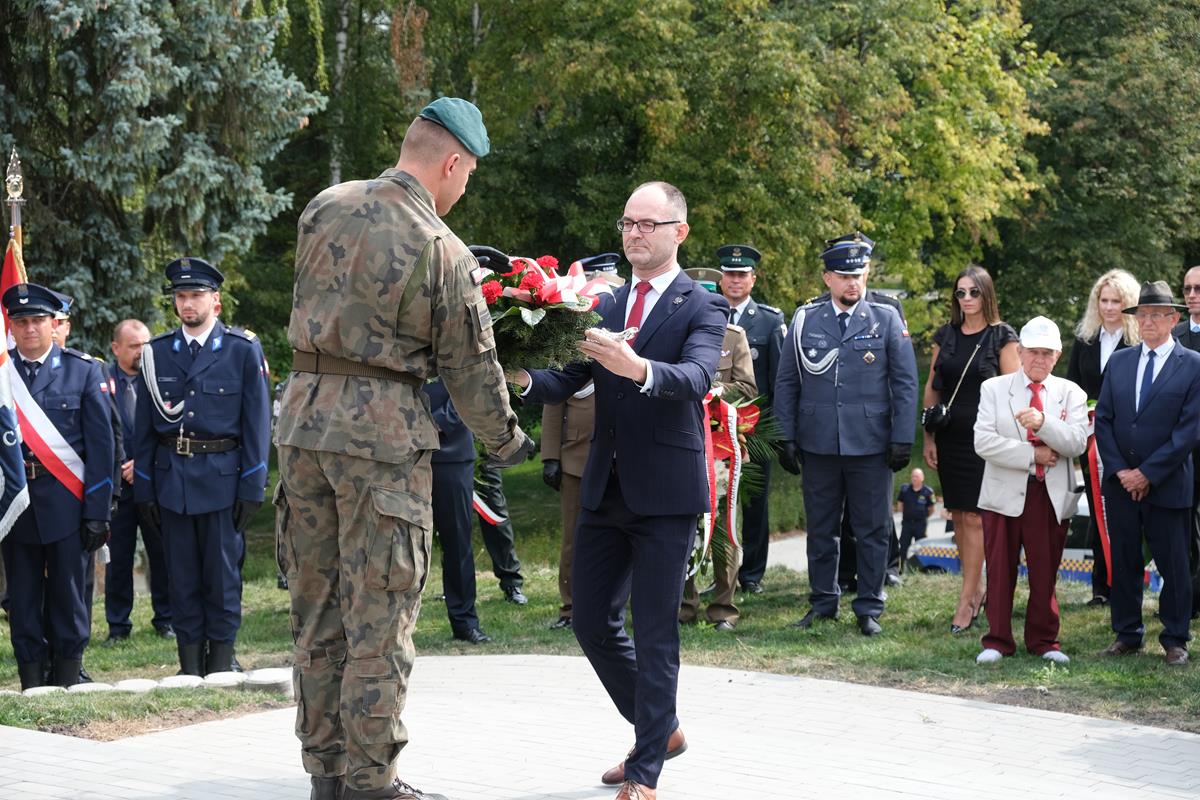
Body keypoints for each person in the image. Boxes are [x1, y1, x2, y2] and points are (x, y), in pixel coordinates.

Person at [275, 97, 533, 800]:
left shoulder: (323, 206)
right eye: (468, 173)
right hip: (381, 440)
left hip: (302, 426)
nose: (465, 186)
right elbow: (471, 368)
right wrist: (507, 440)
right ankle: (372, 783)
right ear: (451, 162)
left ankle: (326, 776)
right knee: (380, 620)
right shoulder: (440, 248)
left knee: (316, 614)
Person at [510, 181, 727, 800]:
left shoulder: (702, 304)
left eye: (647, 224)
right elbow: (568, 378)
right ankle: (661, 730)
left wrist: (634, 367)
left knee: (656, 630)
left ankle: (645, 771)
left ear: (679, 232)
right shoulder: (603, 303)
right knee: (590, 620)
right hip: (604, 485)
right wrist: (518, 376)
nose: (635, 233)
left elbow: (696, 378)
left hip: (666, 493)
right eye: (628, 223)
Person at [774, 232, 919, 637]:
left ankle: (869, 605)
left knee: (872, 529)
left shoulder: (885, 318)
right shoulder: (806, 319)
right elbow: (787, 381)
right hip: (818, 441)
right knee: (822, 528)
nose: (853, 283)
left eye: (858, 274)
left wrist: (902, 437)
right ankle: (823, 601)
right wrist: (785, 435)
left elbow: (905, 383)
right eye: (844, 276)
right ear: (827, 278)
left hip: (870, 443)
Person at [133, 257, 270, 678]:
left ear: (216, 300)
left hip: (223, 480)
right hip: (172, 482)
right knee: (181, 577)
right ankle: (190, 664)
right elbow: (143, 430)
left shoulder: (241, 349)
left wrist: (253, 487)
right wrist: (144, 489)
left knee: (222, 576)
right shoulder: (156, 353)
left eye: (195, 295)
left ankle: (222, 660)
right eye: (181, 296)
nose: (187, 304)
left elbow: (257, 424)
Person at [1, 283, 114, 689]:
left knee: (69, 595)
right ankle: (31, 679)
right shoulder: (2, 374)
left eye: (37, 320)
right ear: (11, 328)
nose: (30, 329)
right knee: (22, 598)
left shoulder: (83, 370)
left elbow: (102, 449)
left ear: (54, 324)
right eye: (21, 322)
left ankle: (68, 674)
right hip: (14, 504)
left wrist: (98, 512)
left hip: (67, 500)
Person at [1094, 280, 1199, 667]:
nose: (1148, 321)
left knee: (1174, 565)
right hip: (1121, 484)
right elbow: (1103, 420)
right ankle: (1126, 633)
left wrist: (1147, 474)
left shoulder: (1193, 365)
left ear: (1173, 319)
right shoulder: (1119, 361)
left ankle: (1175, 637)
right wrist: (1122, 471)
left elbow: (1189, 430)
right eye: (1142, 315)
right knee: (1124, 561)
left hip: (1168, 482)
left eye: (1157, 315)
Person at [973, 317, 1088, 665]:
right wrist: (1031, 455)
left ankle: (1044, 641)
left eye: (1047, 353)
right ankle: (997, 641)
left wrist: (1043, 423)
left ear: (1058, 355)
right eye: (1033, 352)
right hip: (1002, 493)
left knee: (1044, 571)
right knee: (999, 569)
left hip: (1049, 495)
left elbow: (1077, 442)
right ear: (1020, 352)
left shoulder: (1072, 392)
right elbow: (983, 442)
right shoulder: (994, 389)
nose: (1039, 359)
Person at [921, 266, 1019, 634]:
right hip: (950, 437)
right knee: (959, 517)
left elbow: (1014, 391)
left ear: (986, 294)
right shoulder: (945, 335)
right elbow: (933, 388)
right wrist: (928, 437)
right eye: (960, 293)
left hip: (986, 439)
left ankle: (967, 600)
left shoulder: (1002, 336)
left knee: (977, 518)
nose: (966, 299)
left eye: (973, 292)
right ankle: (975, 587)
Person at [540, 254, 624, 630]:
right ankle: (570, 606)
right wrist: (550, 456)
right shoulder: (574, 335)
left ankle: (617, 603)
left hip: (623, 454)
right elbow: (554, 398)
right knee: (575, 536)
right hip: (577, 455)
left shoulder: (629, 328)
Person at [678, 266, 756, 631]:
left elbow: (749, 388)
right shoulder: (674, 332)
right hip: (682, 444)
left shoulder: (733, 336)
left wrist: (715, 392)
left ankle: (723, 608)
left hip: (722, 447)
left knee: (724, 529)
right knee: (683, 527)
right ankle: (684, 606)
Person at [1066, 269, 1140, 607]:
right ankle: (1101, 587)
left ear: (1129, 303)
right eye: (1104, 300)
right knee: (1098, 509)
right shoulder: (1085, 340)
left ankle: (1129, 585)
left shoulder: (1138, 341)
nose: (1109, 307)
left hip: (1130, 439)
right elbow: (1072, 386)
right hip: (1091, 438)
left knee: (1127, 513)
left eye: (1116, 301)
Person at [717, 244, 786, 595]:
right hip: (713, 426)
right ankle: (717, 572)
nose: (735, 280)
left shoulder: (770, 321)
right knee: (716, 500)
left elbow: (778, 380)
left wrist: (780, 432)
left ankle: (752, 574)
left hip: (753, 429)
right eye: (730, 274)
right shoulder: (706, 315)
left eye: (742, 275)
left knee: (754, 502)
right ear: (721, 279)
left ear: (753, 279)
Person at [105, 319, 173, 643]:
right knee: (118, 557)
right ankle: (118, 626)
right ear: (116, 348)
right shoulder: (101, 381)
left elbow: (169, 429)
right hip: (117, 485)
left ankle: (166, 619)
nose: (142, 351)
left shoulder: (161, 380)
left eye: (146, 344)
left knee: (161, 553)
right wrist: (121, 465)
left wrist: (144, 464)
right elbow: (100, 430)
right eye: (134, 346)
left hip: (153, 481)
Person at [424, 379, 491, 644]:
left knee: (457, 543)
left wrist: (434, 423)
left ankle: (464, 622)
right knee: (397, 544)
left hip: (452, 453)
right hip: (401, 450)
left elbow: (471, 384)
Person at [1171, 264, 1200, 619]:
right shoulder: (1173, 336)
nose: (1192, 295)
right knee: (1183, 525)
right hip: (1182, 450)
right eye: (1187, 289)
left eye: (1199, 289)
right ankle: (1187, 598)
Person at [895, 468, 935, 568]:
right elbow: (900, 504)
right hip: (907, 524)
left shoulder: (928, 492)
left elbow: (931, 509)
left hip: (920, 525)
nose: (914, 478)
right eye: (913, 476)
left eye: (916, 476)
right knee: (903, 547)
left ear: (922, 478)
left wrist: (924, 516)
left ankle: (920, 569)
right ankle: (901, 569)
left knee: (920, 547)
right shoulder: (905, 490)